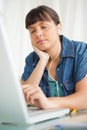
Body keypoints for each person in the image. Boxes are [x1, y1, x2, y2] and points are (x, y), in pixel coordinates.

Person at [21, 5, 87, 110]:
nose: (38, 34)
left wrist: (48, 102)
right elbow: (23, 99)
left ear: (58, 27)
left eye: (43, 27)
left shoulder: (81, 51)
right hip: (48, 123)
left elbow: (84, 98)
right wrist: (42, 61)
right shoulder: (31, 59)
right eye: (32, 31)